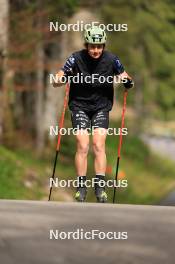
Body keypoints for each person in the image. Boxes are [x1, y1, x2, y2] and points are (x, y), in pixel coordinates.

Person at [53, 26, 134, 203]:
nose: (95, 50)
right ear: (86, 45)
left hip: (101, 107)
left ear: (103, 46)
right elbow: (58, 78)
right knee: (82, 144)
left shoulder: (112, 59)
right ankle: (81, 187)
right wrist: (60, 79)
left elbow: (125, 76)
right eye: (92, 46)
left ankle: (100, 186)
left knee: (98, 144)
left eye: (99, 46)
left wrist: (128, 82)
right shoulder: (75, 58)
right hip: (79, 105)